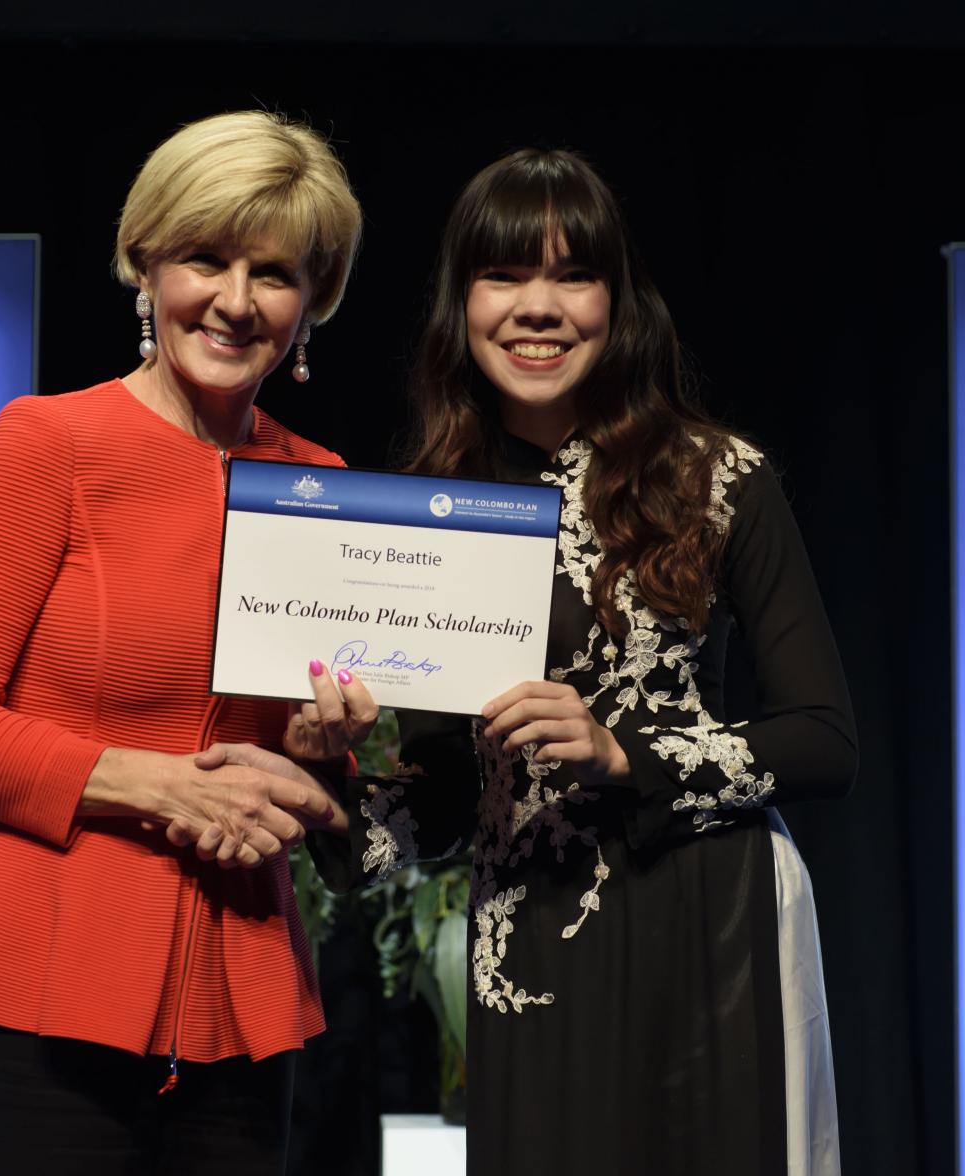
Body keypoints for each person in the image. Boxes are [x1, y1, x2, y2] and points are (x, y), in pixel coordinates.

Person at [289, 148, 856, 1175]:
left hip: (709, 921)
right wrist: (332, 779)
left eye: (573, 275)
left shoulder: (719, 476)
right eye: (504, 276)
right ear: (462, 304)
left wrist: (622, 752)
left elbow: (825, 742)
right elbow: (447, 804)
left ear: (616, 300)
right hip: (532, 933)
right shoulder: (435, 509)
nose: (538, 307)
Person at [0, 109, 372, 1176]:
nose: (237, 302)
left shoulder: (324, 486)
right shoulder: (49, 442)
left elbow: (295, 773)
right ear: (146, 262)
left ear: (314, 301)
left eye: (276, 273)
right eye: (207, 258)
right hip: (39, 1002)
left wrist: (320, 748)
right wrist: (156, 786)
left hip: (239, 1003)